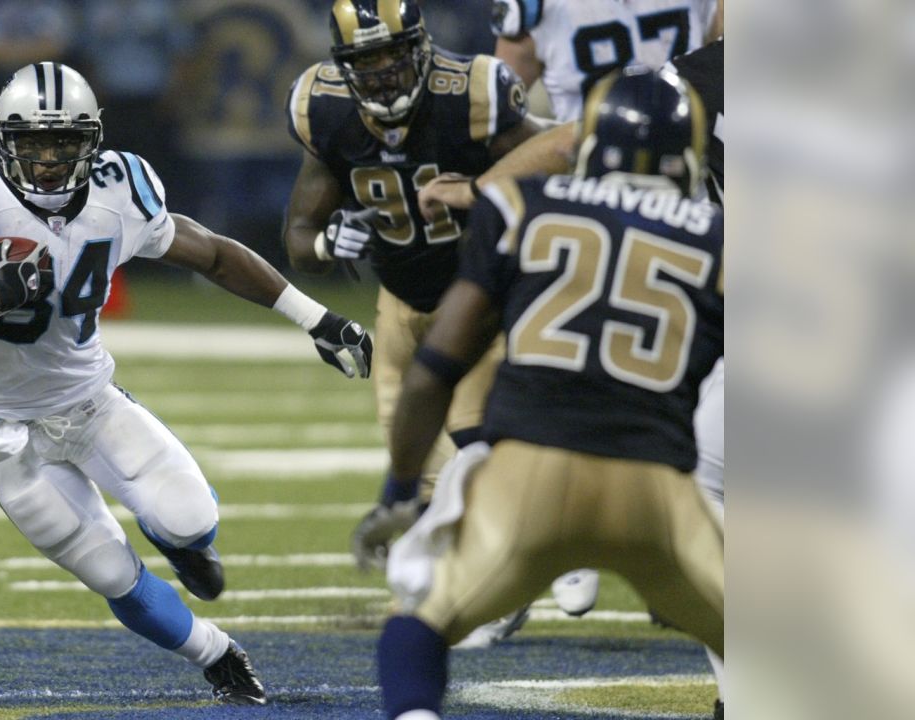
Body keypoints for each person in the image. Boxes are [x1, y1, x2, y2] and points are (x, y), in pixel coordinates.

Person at [0, 62, 375, 707]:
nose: (47, 161)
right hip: (2, 430)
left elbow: (215, 255)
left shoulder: (123, 187)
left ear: (92, 142)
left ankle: (186, 547)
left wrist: (316, 319)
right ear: (3, 141)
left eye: (64, 143)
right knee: (110, 571)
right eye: (32, 143)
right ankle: (218, 656)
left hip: (90, 401)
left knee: (190, 518)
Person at [374, 68, 723, 720]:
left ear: (589, 147)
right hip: (655, 487)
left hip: (527, 472)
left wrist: (398, 489)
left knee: (421, 621)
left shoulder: (522, 206)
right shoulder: (718, 236)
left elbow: (434, 370)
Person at [281, 0, 541, 596]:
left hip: (479, 297)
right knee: (416, 470)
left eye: (394, 57)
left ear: (421, 48)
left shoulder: (470, 93)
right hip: (398, 305)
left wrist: (482, 192)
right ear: (342, 66)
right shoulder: (324, 110)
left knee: (473, 450)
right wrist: (325, 243)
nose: (383, 75)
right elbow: (297, 238)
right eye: (365, 63)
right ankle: (457, 586)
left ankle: (501, 583)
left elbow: (549, 167)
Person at [491, 0, 720, 122]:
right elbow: (501, 115)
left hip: (690, 158)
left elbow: (717, 65)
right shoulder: (535, 8)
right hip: (582, 171)